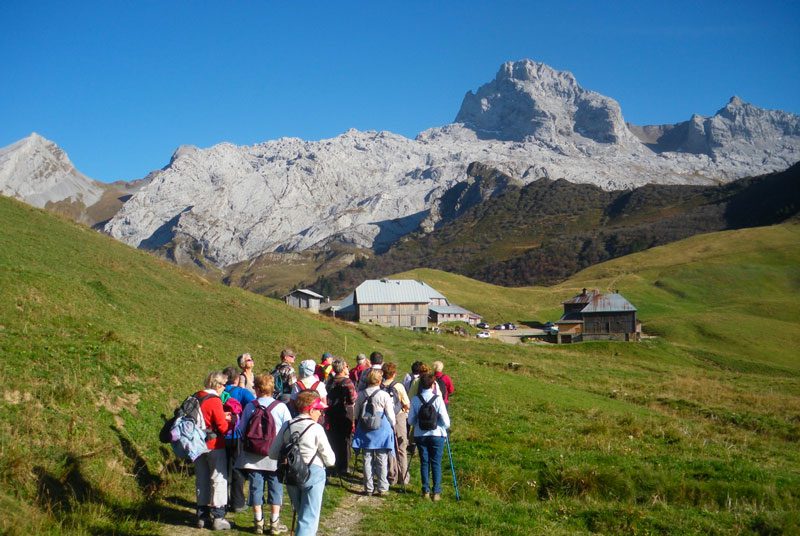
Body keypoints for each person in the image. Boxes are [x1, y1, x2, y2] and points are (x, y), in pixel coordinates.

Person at [269, 390, 335, 536]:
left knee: (301, 514)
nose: (321, 413)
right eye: (319, 410)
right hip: (313, 473)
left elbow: (272, 453)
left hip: (291, 473)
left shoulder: (287, 425)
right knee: (309, 518)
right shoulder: (316, 428)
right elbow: (330, 460)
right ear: (311, 410)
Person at [236, 374, 292, 535]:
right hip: (274, 454)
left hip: (253, 455)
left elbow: (241, 429)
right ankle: (274, 523)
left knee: (255, 487)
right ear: (272, 389)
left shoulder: (250, 406)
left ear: (257, 389)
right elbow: (288, 430)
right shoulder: (280, 407)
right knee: (276, 487)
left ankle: (258, 522)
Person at [194, 371, 232, 530]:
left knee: (201, 478)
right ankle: (218, 516)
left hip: (196, 444)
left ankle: (202, 516)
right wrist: (229, 420)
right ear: (217, 385)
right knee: (218, 479)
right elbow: (222, 427)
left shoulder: (196, 396)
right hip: (214, 444)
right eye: (224, 385)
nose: (225, 388)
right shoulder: (214, 400)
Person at [351, 369, 396, 496]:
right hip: (381, 428)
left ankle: (368, 487)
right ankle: (382, 487)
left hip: (365, 428)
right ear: (379, 381)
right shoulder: (384, 395)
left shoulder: (361, 394)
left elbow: (356, 413)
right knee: (382, 458)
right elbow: (390, 415)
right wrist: (393, 425)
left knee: (367, 458)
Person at [408, 372, 450, 501]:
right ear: (433, 385)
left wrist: (418, 422)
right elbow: (446, 422)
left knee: (424, 462)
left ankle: (425, 491)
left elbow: (410, 421)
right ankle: (436, 492)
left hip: (420, 435)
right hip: (437, 434)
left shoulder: (416, 399)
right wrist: (441, 425)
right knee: (436, 462)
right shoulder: (438, 399)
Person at [222, 366, 256, 513]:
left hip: (220, 435)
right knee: (237, 468)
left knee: (221, 469)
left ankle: (221, 502)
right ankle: (237, 503)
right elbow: (256, 404)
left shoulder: (219, 392)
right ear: (237, 379)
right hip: (236, 435)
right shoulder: (242, 392)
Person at [324, 358, 356, 477]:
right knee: (345, 440)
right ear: (342, 368)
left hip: (331, 412)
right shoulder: (347, 382)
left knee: (333, 439)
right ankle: (344, 466)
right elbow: (353, 398)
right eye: (346, 366)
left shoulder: (329, 381)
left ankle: (333, 465)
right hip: (345, 412)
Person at [382, 362, 410, 487]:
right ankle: (403, 476)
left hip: (385, 418)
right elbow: (407, 403)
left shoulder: (379, 386)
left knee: (390, 447)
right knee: (401, 447)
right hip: (399, 417)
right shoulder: (398, 386)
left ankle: (392, 476)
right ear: (394, 374)